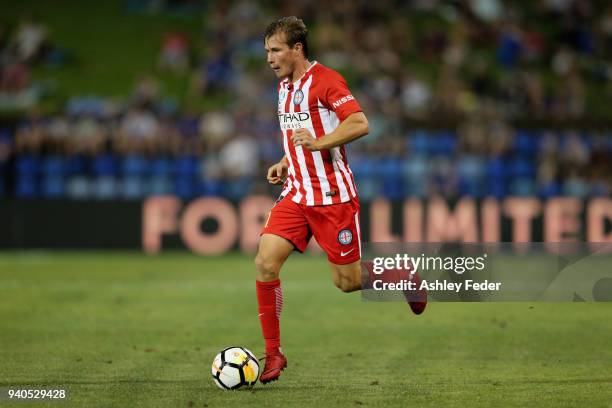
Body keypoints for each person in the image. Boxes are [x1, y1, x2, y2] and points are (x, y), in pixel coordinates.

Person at [255, 16, 427, 385]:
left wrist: (317, 145)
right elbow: (299, 134)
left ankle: (401, 275)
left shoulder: (327, 81)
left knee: (346, 282)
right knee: (265, 263)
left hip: (333, 197)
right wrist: (286, 161)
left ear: (297, 49)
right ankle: (273, 354)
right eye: (267, 51)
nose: (269, 58)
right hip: (297, 192)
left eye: (275, 50)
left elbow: (359, 123)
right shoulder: (284, 87)